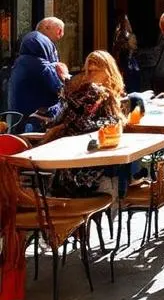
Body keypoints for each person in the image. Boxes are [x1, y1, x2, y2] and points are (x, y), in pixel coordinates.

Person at [44, 50, 126, 196]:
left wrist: (59, 126)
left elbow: (73, 122)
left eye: (95, 71)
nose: (89, 75)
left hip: (76, 168)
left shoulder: (97, 93)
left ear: (108, 71)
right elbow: (108, 123)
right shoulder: (95, 92)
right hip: (83, 167)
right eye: (87, 71)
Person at [8, 22, 67, 129]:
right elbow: (64, 89)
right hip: (37, 123)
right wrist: (64, 74)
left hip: (17, 120)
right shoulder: (45, 67)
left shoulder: (19, 63)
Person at [112, 14, 140, 92]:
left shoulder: (128, 35)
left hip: (127, 62)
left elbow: (133, 48)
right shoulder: (118, 34)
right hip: (120, 61)